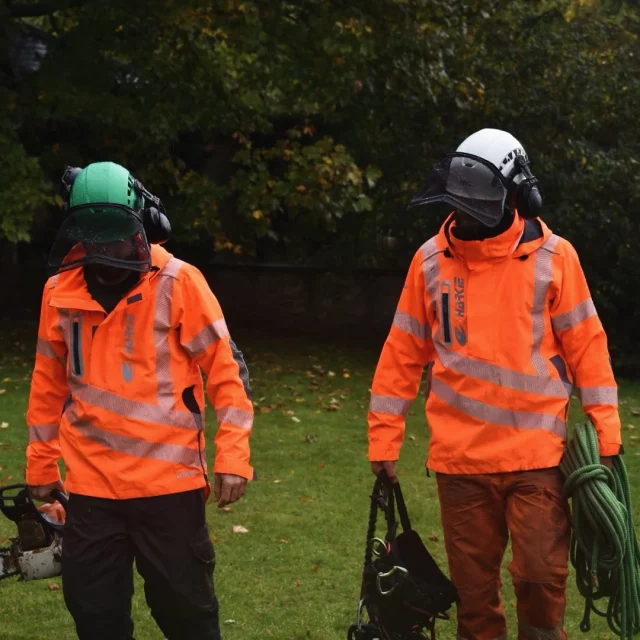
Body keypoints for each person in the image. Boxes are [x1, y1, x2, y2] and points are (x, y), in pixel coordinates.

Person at [367, 129, 622, 640]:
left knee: (540, 578)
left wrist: (607, 437)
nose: (466, 214)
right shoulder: (430, 261)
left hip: (538, 458)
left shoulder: (555, 259)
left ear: (518, 196)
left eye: (479, 200)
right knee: (473, 594)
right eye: (460, 202)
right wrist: (383, 438)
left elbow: (588, 349)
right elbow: (400, 352)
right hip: (460, 464)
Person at [25, 161, 254, 640]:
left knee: (186, 615)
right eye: (97, 236)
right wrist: (42, 468)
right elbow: (47, 386)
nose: (108, 250)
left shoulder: (178, 282)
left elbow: (226, 373)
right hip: (90, 490)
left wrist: (233, 453)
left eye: (117, 236)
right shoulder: (59, 292)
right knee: (96, 616)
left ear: (140, 223)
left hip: (169, 487)